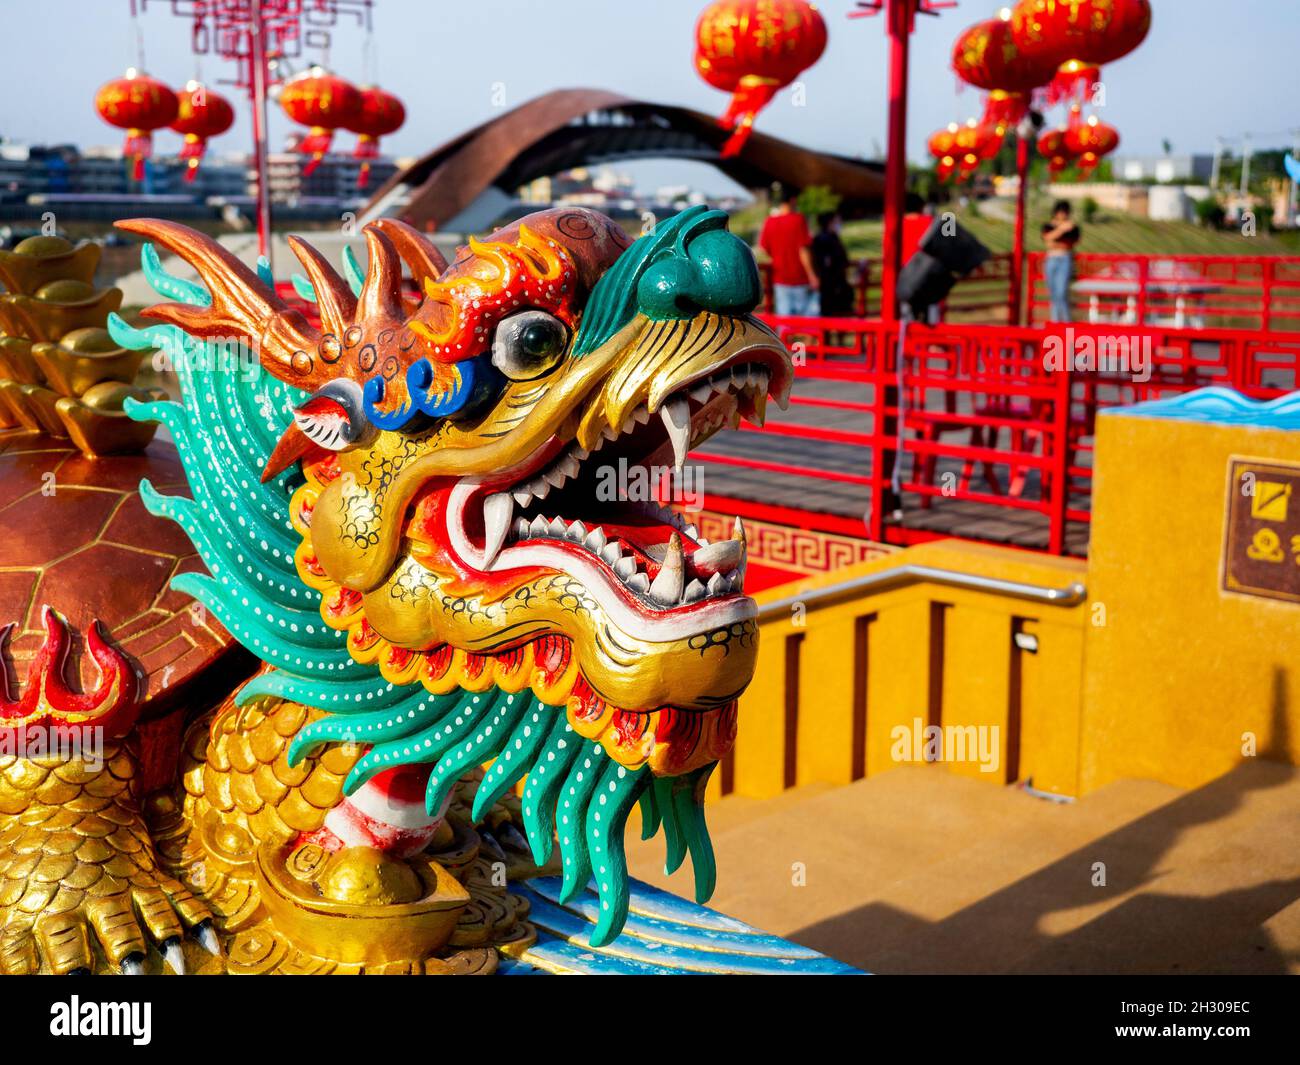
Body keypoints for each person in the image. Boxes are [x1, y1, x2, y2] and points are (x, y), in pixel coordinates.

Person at [758, 187, 819, 317]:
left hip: (779, 276)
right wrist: (812, 275)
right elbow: (803, 250)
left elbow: (764, 247)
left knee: (784, 320)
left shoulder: (770, 221)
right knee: (806, 322)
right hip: (799, 276)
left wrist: (777, 256)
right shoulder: (798, 220)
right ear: (792, 201)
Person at [1041, 199, 1081, 321]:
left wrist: (1055, 238)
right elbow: (1048, 240)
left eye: (1064, 212)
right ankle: (1056, 323)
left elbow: (1069, 244)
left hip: (1064, 259)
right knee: (1053, 294)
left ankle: (1066, 325)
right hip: (1051, 259)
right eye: (1060, 212)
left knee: (1061, 293)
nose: (1062, 214)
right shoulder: (1049, 226)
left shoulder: (1073, 228)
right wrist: (1061, 229)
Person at [811, 211, 854, 317]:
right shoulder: (826, 240)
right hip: (831, 284)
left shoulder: (826, 238)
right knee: (832, 313)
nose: (840, 223)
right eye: (837, 221)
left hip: (831, 284)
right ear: (830, 223)